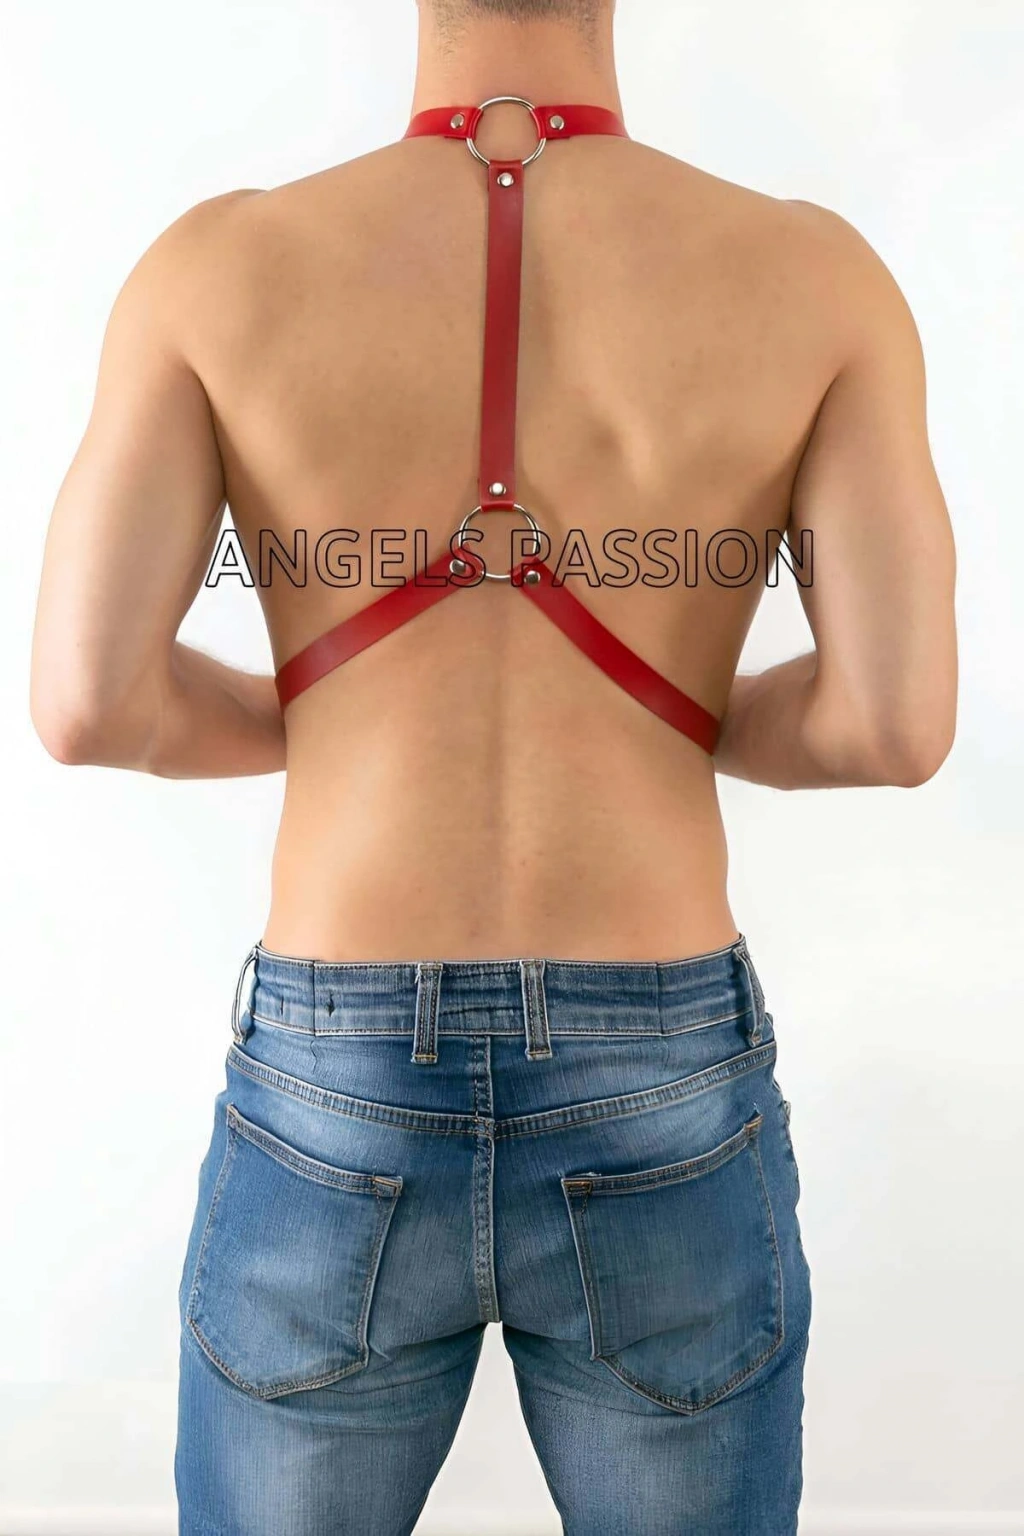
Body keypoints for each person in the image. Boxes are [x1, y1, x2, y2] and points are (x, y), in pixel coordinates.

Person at [29, 0, 958, 1531]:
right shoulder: (815, 277)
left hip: (336, 1066)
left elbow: (87, 703)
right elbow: (892, 724)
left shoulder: (216, 271)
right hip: (662, 1061)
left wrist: (330, 716)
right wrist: (672, 713)